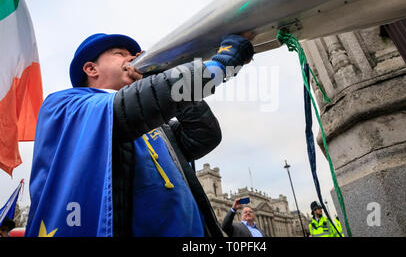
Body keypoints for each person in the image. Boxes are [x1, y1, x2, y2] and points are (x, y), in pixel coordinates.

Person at [25, 33, 254, 237]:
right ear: (91, 69)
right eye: (120, 54)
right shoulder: (65, 105)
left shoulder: (157, 125)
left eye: (133, 55)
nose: (133, 59)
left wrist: (163, 74)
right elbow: (131, 105)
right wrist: (220, 65)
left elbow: (204, 135)